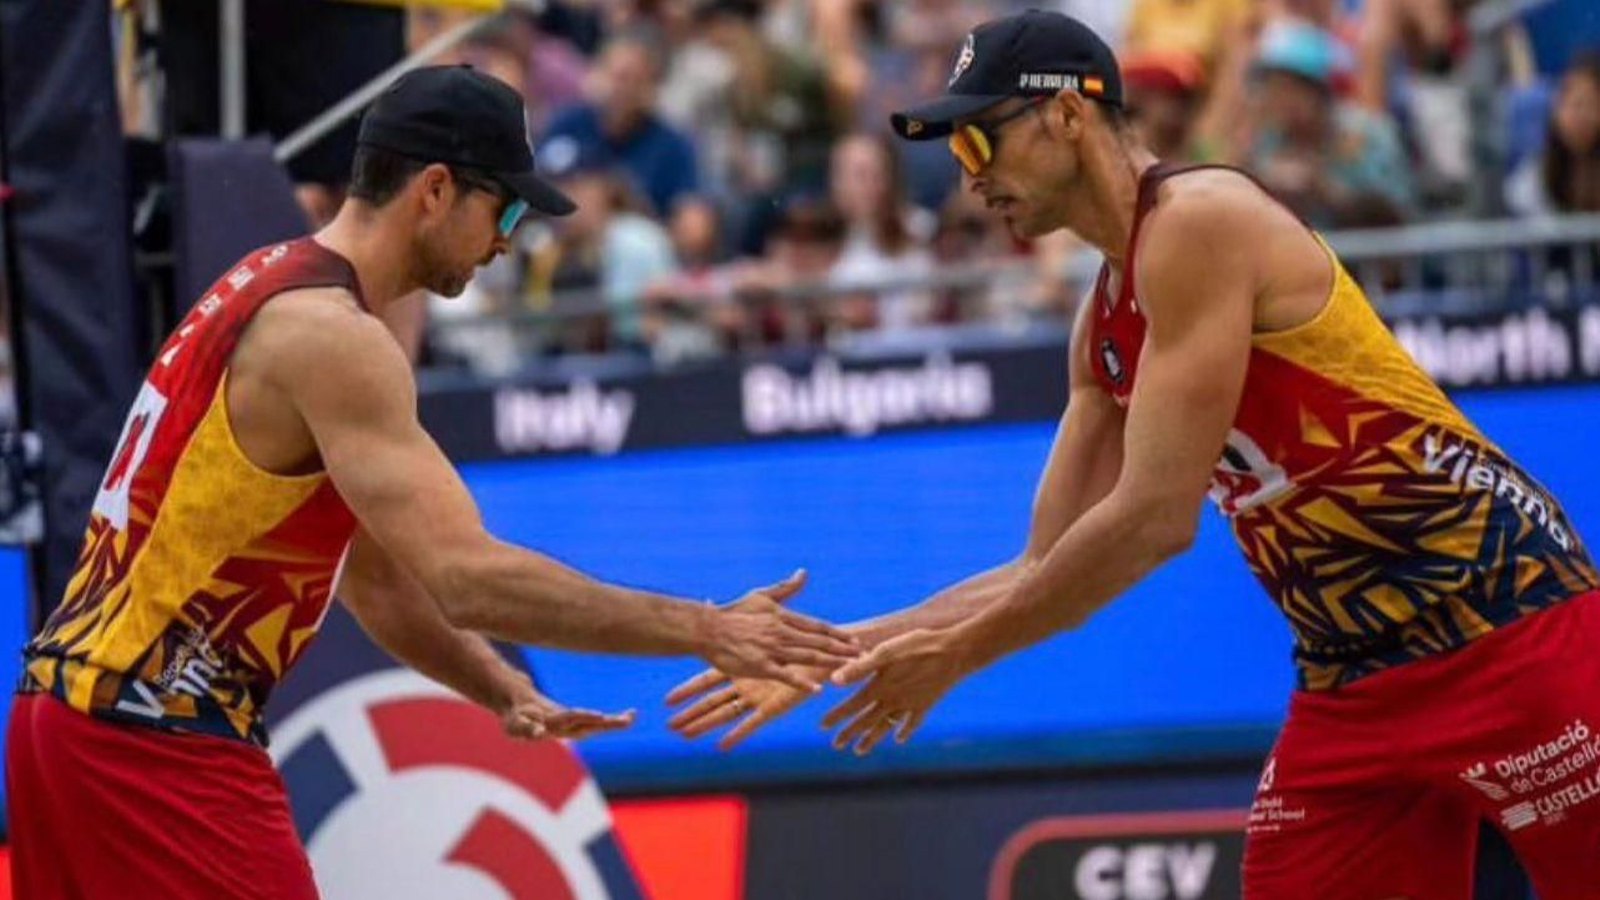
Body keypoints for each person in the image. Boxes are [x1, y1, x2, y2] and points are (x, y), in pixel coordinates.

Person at [666, 12, 1600, 899]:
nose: (966, 177)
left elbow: (1152, 523)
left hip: (1511, 628)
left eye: (978, 141)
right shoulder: (1099, 329)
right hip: (1353, 682)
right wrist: (835, 651)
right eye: (954, 153)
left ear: (1067, 113)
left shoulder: (1200, 220)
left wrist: (953, 659)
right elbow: (1044, 566)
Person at [5, 65, 857, 900]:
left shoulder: (268, 284)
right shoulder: (337, 339)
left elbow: (375, 577)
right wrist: (705, 629)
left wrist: (499, 689)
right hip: (153, 738)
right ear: (437, 189)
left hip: (67, 718)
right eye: (508, 207)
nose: (510, 239)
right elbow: (467, 577)